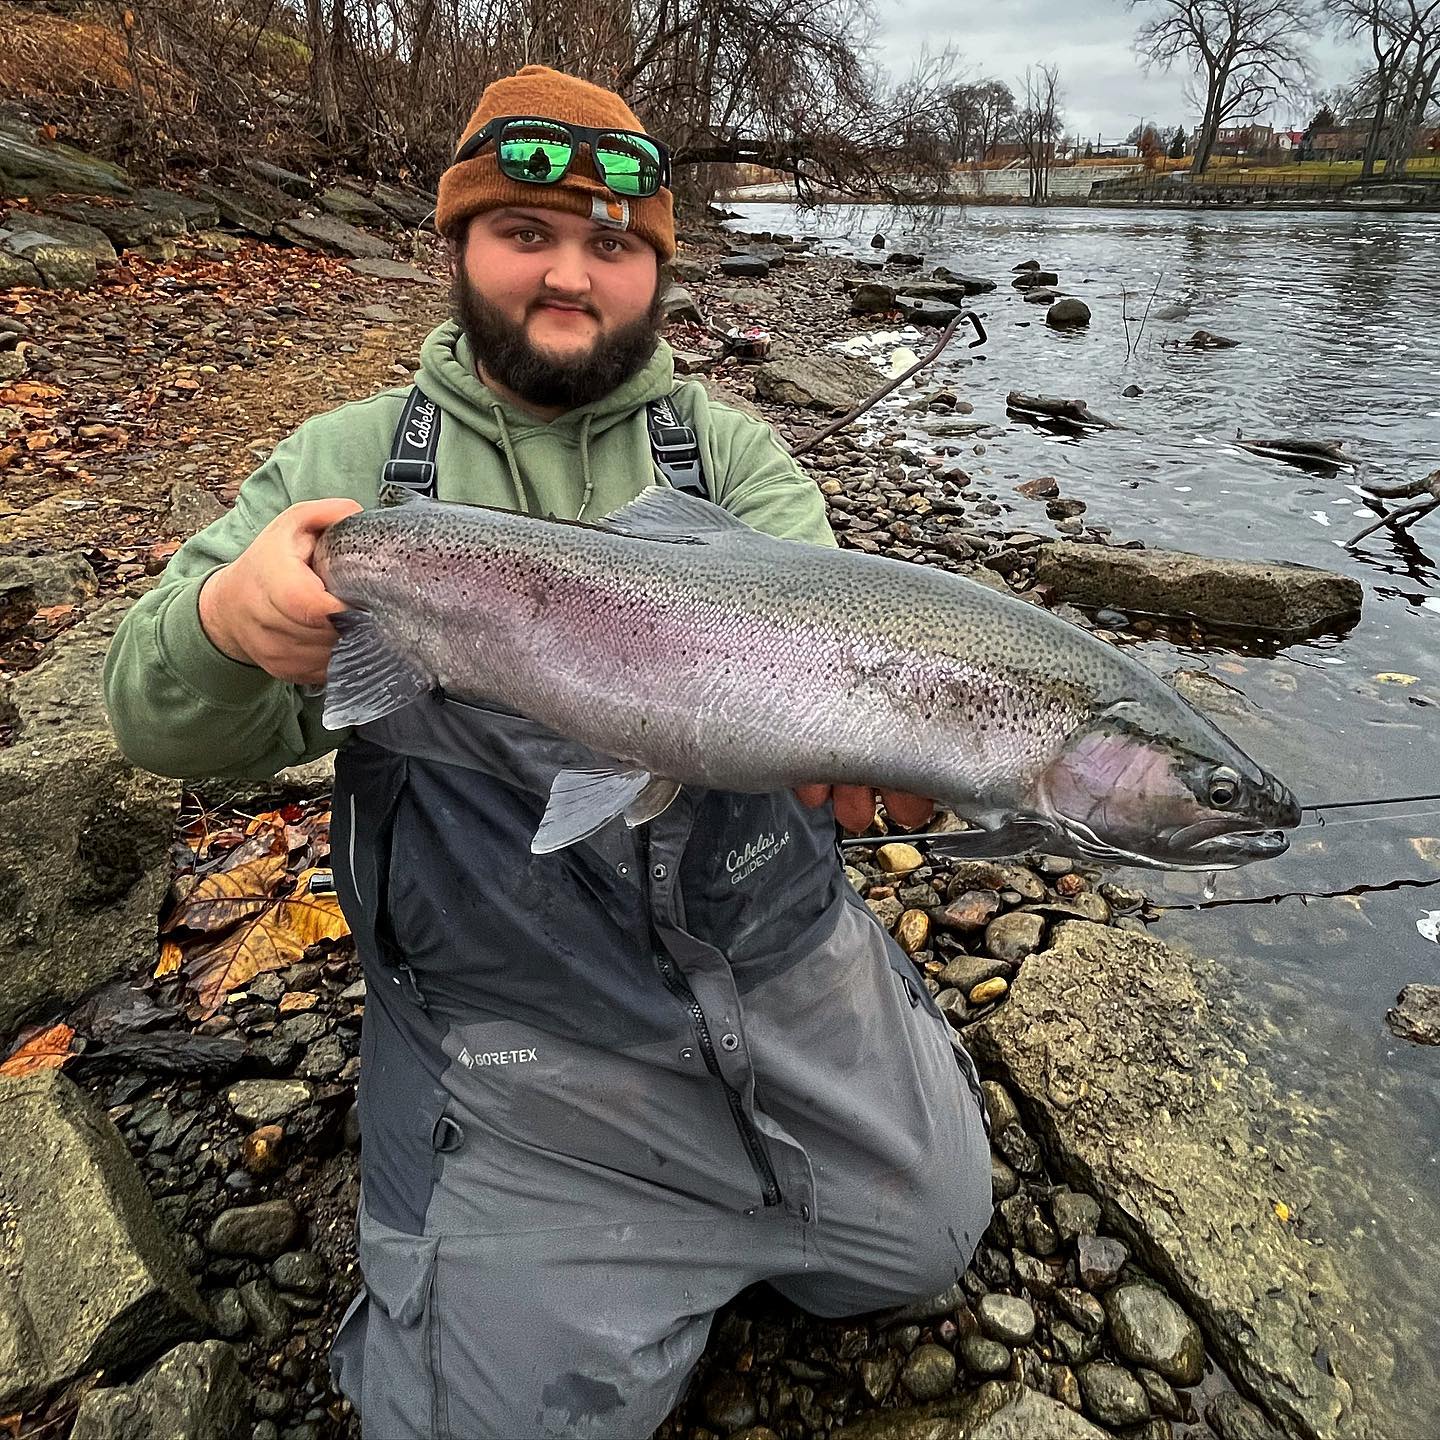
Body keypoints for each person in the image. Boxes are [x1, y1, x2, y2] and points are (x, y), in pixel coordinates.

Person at [103, 64, 992, 1440]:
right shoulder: (346, 464)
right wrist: (228, 621)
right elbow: (159, 724)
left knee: (929, 1247)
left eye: (615, 246)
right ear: (455, 247)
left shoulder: (738, 460)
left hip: (763, 969)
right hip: (512, 1034)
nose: (571, 275)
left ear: (655, 274)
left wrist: (868, 739)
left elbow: (835, 646)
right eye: (527, 233)